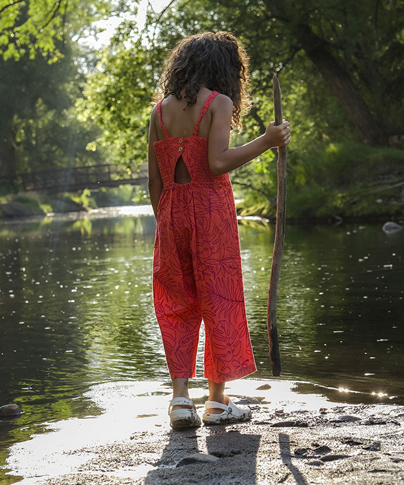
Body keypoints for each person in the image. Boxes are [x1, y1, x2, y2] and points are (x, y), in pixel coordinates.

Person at [147, 31, 291, 430]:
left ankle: (179, 400)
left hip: (171, 216)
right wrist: (267, 140)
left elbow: (154, 183)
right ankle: (215, 402)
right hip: (211, 215)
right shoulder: (219, 103)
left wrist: (167, 226)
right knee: (219, 299)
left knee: (176, 303)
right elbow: (216, 163)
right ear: (226, 71)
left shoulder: (159, 112)